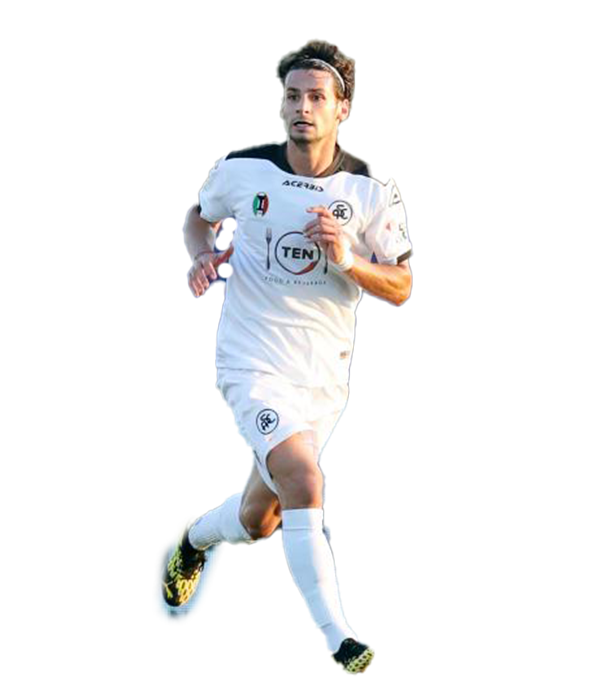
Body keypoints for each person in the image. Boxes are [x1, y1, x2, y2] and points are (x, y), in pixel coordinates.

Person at [161, 42, 413, 677]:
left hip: (322, 378)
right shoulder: (243, 170)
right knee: (304, 481)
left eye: (317, 97)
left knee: (260, 517)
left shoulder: (370, 189)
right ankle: (341, 642)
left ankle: (193, 537)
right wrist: (201, 254)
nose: (303, 107)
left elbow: (402, 285)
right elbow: (197, 218)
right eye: (294, 96)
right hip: (252, 364)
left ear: (341, 109)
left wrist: (348, 259)